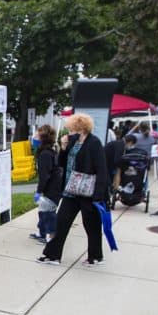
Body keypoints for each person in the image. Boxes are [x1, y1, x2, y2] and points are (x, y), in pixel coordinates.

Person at [38, 113, 108, 266]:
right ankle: (52, 255)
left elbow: (102, 170)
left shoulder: (94, 143)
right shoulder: (73, 142)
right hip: (71, 190)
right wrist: (63, 149)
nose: (68, 132)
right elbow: (62, 164)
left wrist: (98, 195)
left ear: (81, 128)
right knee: (60, 223)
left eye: (71, 129)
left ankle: (95, 257)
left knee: (92, 226)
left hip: (88, 192)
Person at [30, 124, 62, 244]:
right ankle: (42, 233)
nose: (33, 138)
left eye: (36, 136)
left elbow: (44, 176)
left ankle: (51, 237)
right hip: (53, 187)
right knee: (43, 210)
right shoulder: (48, 152)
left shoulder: (45, 154)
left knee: (48, 212)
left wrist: (39, 191)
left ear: (42, 138)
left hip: (52, 189)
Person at [103, 126, 125, 193]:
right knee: (113, 174)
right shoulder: (120, 144)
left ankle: (112, 188)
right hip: (108, 160)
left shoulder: (117, 143)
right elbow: (117, 159)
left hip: (107, 157)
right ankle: (112, 188)